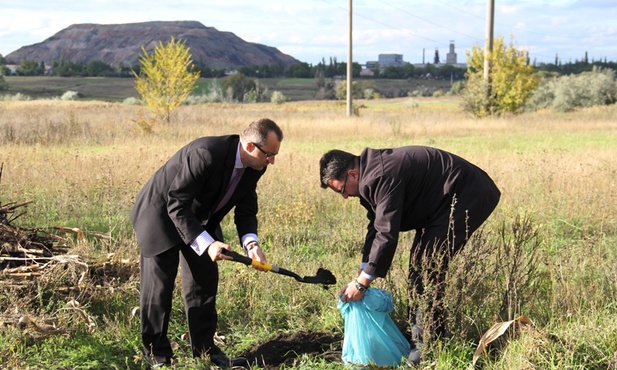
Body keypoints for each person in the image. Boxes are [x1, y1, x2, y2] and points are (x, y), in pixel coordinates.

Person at [319, 146, 500, 364]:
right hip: (441, 204)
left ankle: (425, 351)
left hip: (466, 195)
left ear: (352, 174)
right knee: (422, 268)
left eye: (342, 190)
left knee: (425, 269)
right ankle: (430, 338)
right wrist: (363, 270)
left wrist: (362, 284)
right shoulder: (370, 175)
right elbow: (375, 227)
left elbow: (387, 234)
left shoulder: (379, 176)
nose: (345, 196)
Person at [131, 118, 283, 368]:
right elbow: (176, 204)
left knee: (204, 281)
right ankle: (157, 356)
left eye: (275, 155)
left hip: (198, 218)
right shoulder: (206, 154)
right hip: (160, 215)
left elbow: (246, 210)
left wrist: (251, 243)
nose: (272, 161)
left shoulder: (257, 165)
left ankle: (205, 351)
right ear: (248, 146)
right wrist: (209, 244)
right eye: (269, 154)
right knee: (159, 289)